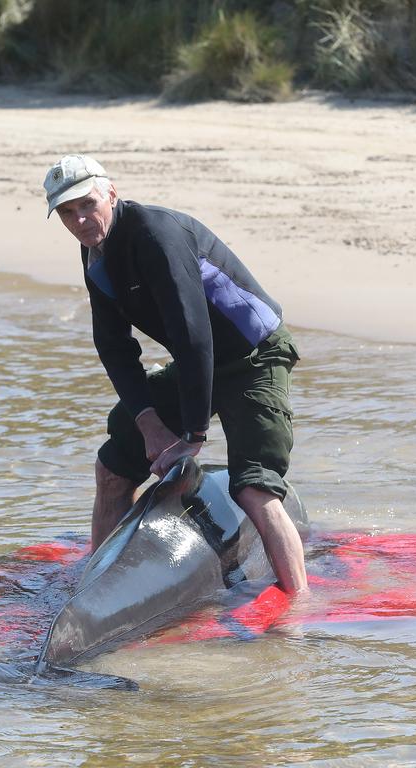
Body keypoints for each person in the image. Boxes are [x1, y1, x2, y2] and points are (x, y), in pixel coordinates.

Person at [43, 154, 308, 594]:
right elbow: (113, 345)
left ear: (111, 192)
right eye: (67, 213)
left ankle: (298, 604)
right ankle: (97, 590)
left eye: (87, 204)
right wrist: (148, 425)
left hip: (254, 360)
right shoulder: (95, 253)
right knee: (112, 466)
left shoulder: (156, 235)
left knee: (254, 489)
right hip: (197, 362)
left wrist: (192, 434)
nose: (81, 219)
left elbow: (193, 335)